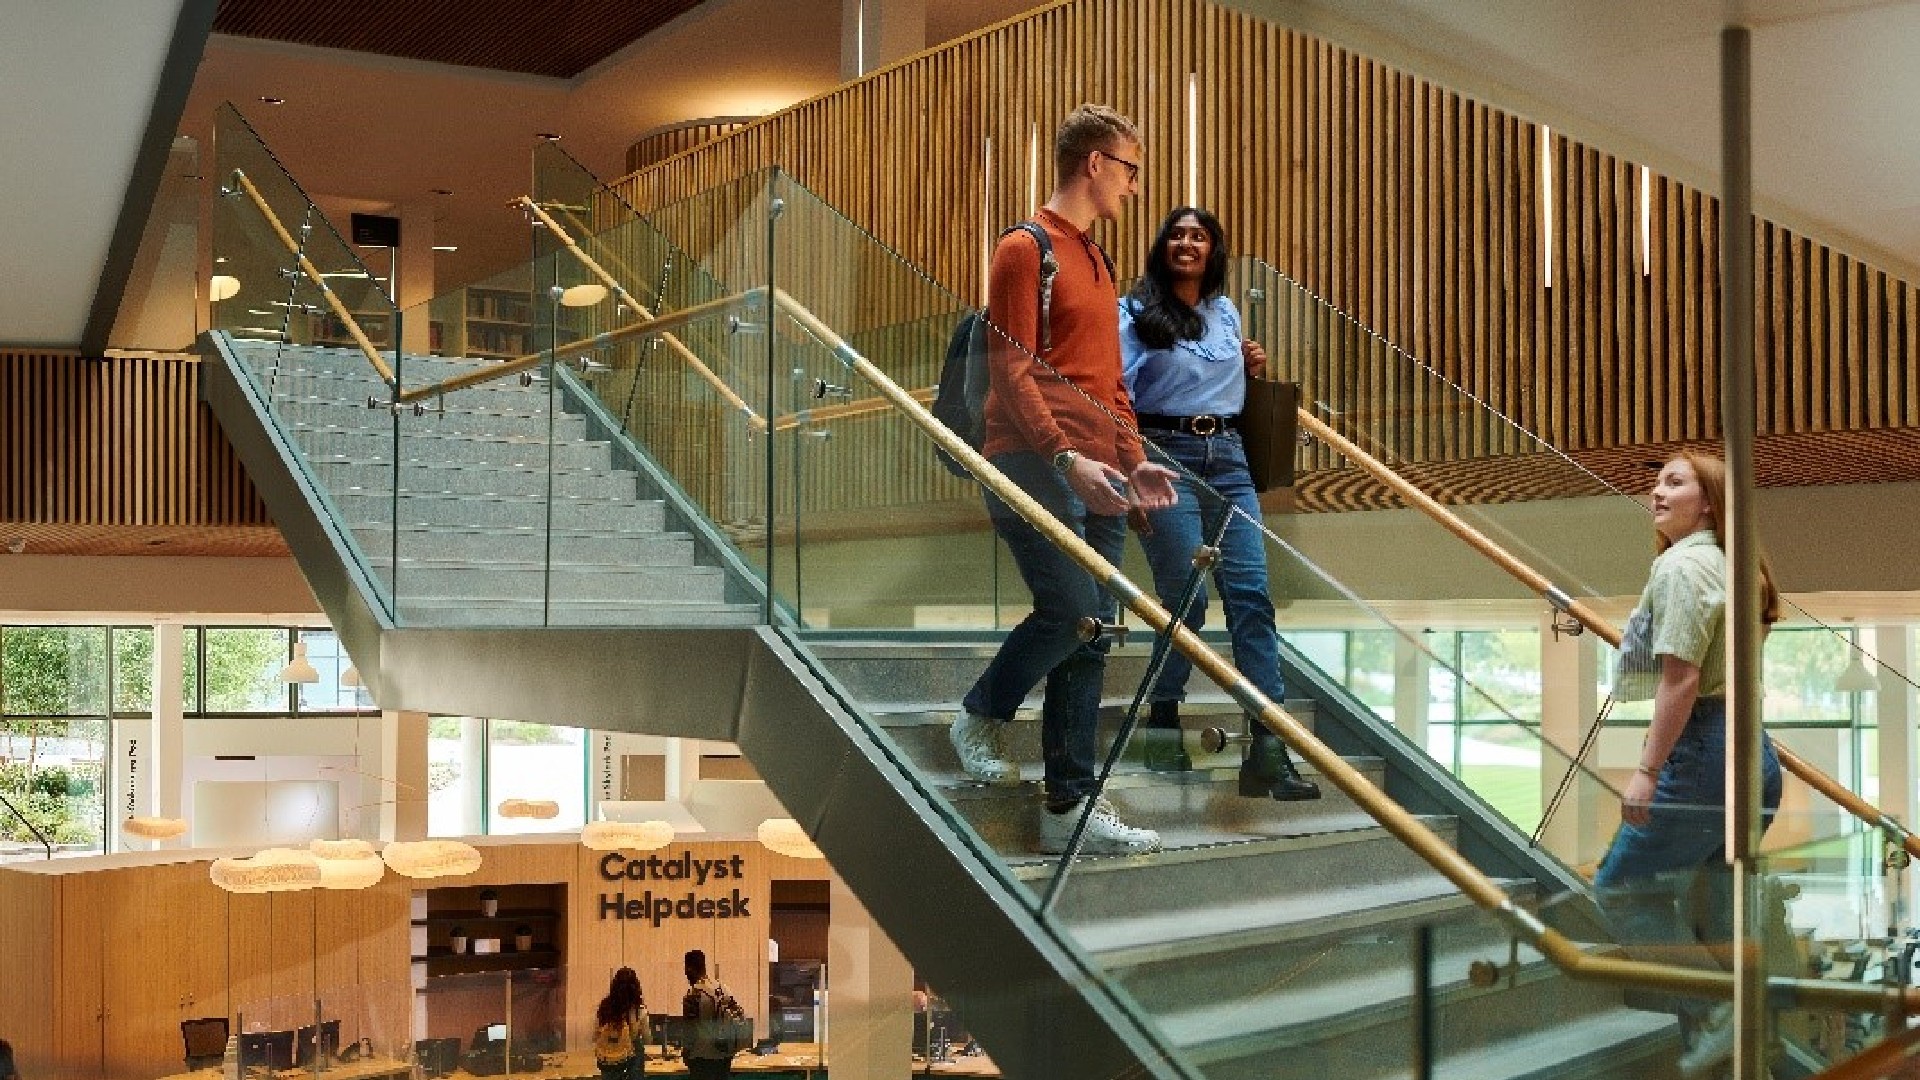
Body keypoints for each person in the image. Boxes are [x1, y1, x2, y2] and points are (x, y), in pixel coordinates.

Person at [947, 103, 1179, 856]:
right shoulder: (1026, 249)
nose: (1136, 187)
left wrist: (1132, 456)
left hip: (1102, 471)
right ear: (1095, 164)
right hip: (1031, 460)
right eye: (1131, 168)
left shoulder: (1100, 260)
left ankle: (1067, 804)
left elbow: (1108, 383)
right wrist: (1061, 458)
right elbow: (1012, 369)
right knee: (1073, 607)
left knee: (1095, 635)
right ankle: (980, 713)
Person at [1119, 206, 1320, 801]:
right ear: (1163, 247)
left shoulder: (1226, 313)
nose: (1187, 243)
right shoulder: (1132, 312)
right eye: (1177, 234)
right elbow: (1116, 393)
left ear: (1214, 251)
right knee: (1186, 601)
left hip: (1229, 458)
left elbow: (1230, 382)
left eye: (1199, 236)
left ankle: (1268, 746)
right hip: (1164, 456)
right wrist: (1131, 467)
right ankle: (1161, 724)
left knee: (1252, 598)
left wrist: (1251, 366)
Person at [1592, 451, 1784, 1075]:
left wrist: (1646, 771)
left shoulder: (1683, 567)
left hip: (1705, 752)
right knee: (1709, 910)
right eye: (1656, 483)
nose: (1657, 492)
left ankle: (1729, 1009)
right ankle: (1728, 1033)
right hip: (1752, 751)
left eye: (1675, 482)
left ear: (1710, 503)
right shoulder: (1732, 564)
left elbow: (1681, 678)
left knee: (1620, 886)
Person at [680, 950, 739, 1080]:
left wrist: (685, 1053)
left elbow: (690, 1032)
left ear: (689, 968)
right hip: (724, 1056)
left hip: (702, 1059)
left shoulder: (693, 995)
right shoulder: (723, 989)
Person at [592, 967, 649, 1080]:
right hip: (629, 1059)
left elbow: (595, 1035)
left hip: (607, 1060)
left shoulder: (604, 1007)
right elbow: (648, 1038)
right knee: (638, 1044)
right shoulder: (639, 1010)